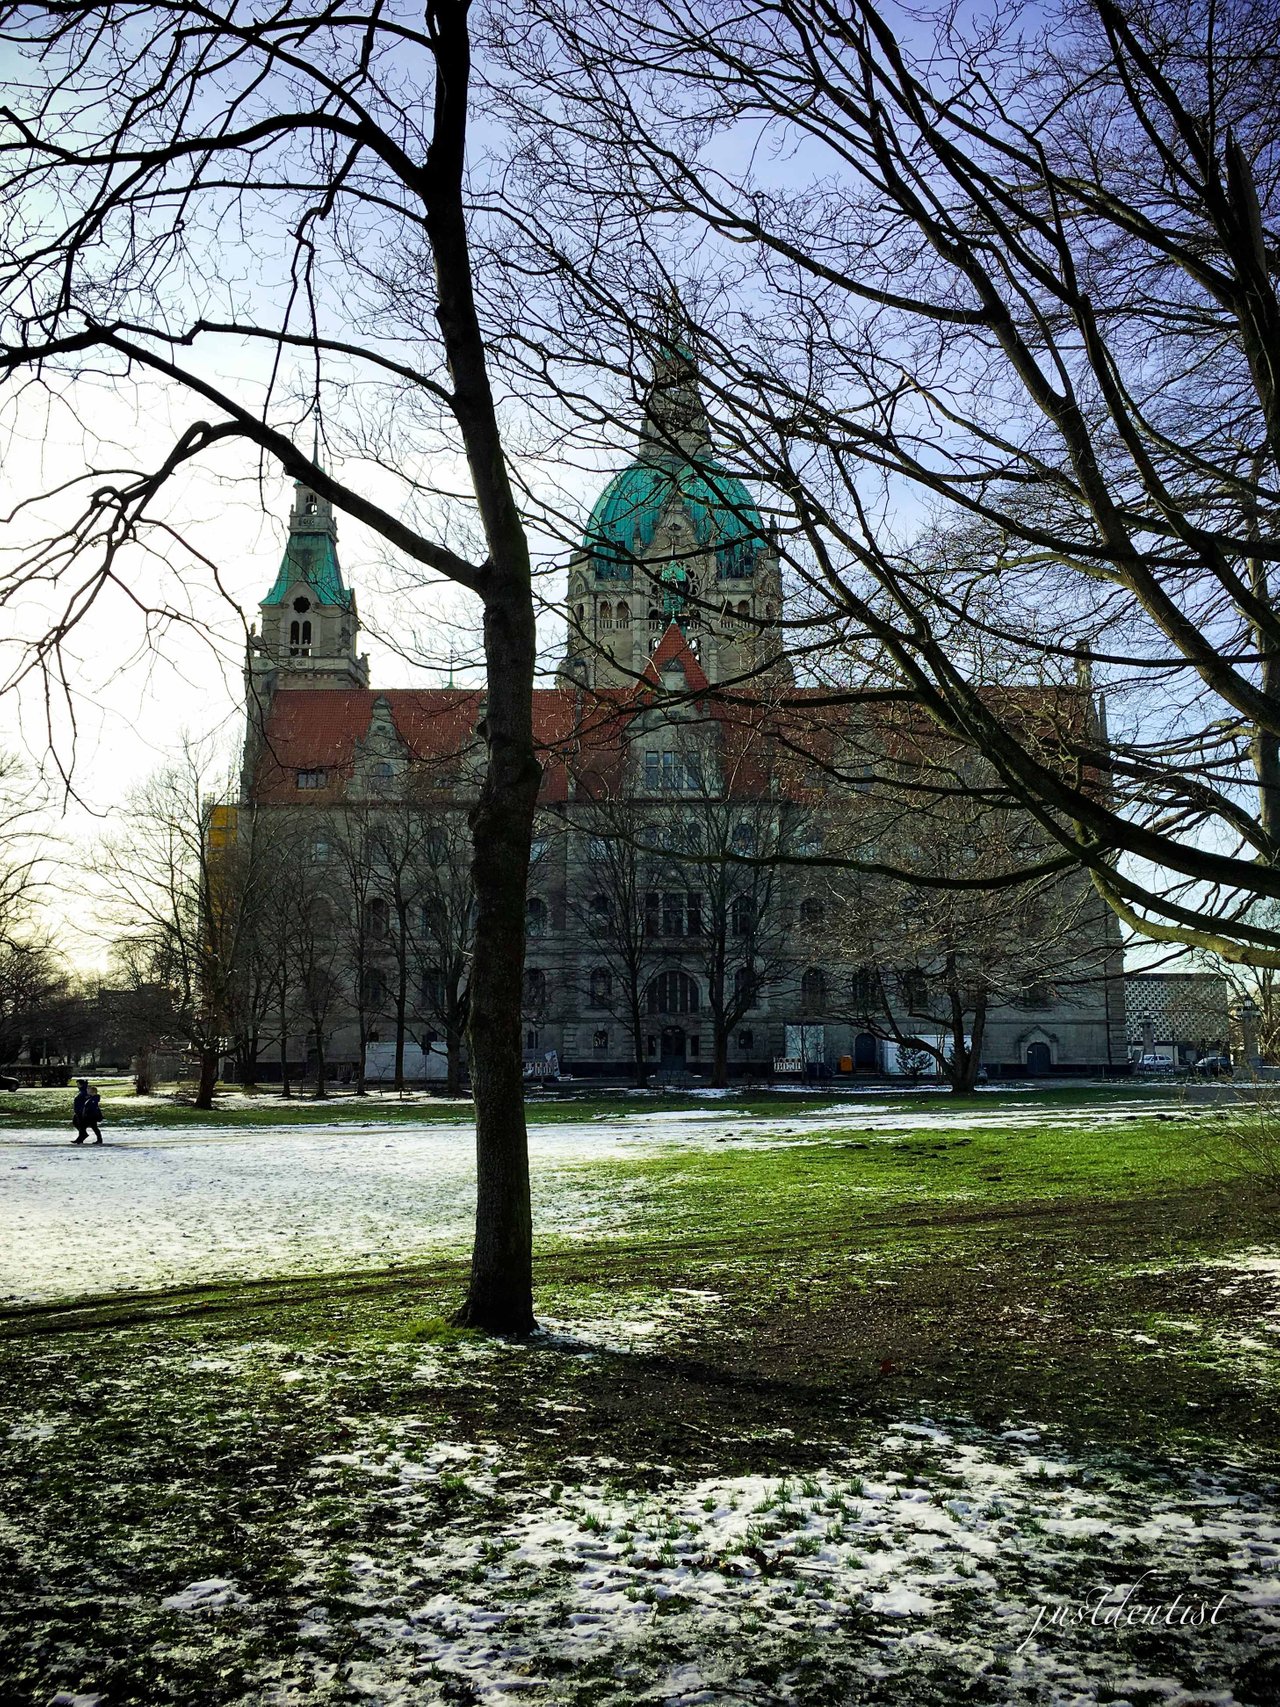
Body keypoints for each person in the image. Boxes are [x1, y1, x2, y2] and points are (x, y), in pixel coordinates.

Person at [71, 1079, 89, 1144]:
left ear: (81, 1084)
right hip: (78, 1110)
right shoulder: (82, 1091)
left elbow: (85, 1101)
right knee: (76, 1123)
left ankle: (81, 1138)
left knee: (81, 1125)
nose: (77, 1085)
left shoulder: (84, 1091)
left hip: (81, 1111)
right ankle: (81, 1136)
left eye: (78, 1084)